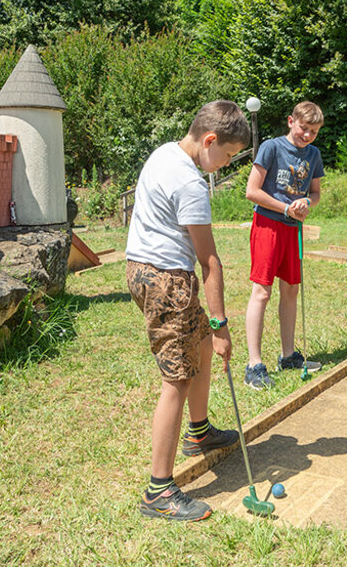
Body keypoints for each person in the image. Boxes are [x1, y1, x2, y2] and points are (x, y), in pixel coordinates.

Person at [126, 100, 251, 520]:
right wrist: (220, 325)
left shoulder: (164, 152)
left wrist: (207, 331)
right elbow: (210, 261)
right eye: (229, 155)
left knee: (195, 346)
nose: (227, 163)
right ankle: (158, 490)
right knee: (176, 379)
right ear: (210, 140)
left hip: (141, 270)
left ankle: (198, 434)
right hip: (167, 282)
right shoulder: (191, 183)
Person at [242, 101, 325, 389]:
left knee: (290, 289)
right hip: (267, 225)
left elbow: (314, 193)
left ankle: (288, 356)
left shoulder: (313, 154)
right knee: (261, 292)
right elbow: (251, 191)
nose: (307, 135)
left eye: (313, 131)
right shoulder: (271, 147)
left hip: (293, 229)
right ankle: (254, 364)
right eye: (304, 128)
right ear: (291, 121)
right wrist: (285, 208)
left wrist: (305, 203)